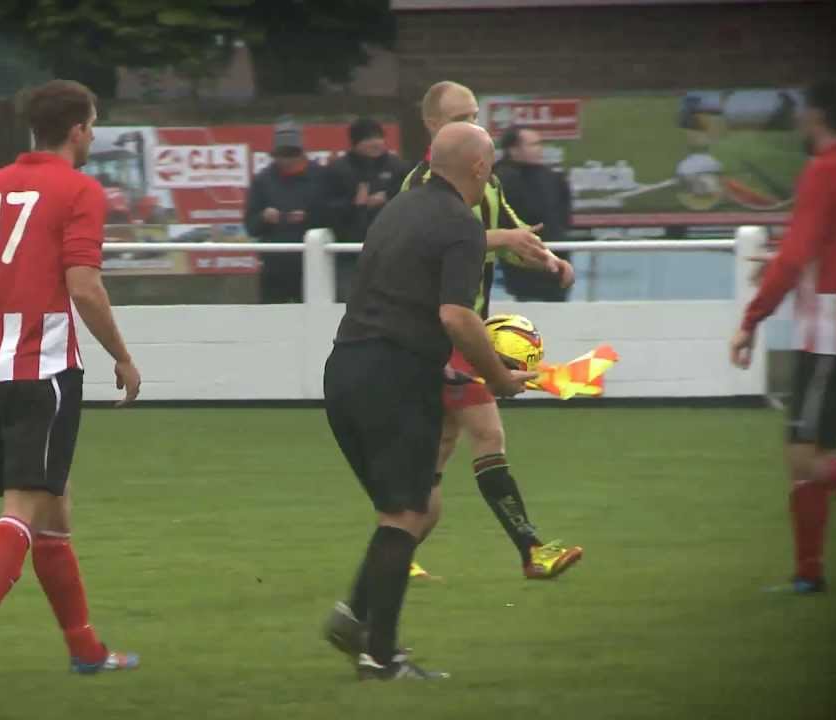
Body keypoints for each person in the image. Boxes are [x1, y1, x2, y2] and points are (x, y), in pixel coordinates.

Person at [0, 79, 143, 680]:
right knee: (23, 509)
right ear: (76, 130)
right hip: (45, 372)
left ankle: (86, 650)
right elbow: (85, 287)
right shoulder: (79, 190)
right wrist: (122, 357)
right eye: (92, 125)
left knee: (54, 510)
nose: (92, 136)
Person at [321, 122, 533, 680]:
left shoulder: (397, 209)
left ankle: (356, 622)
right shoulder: (462, 224)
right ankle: (380, 656)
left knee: (410, 511)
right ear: (480, 168)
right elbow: (457, 317)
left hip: (345, 372)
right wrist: (499, 378)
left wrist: (444, 367)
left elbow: (396, 303)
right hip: (392, 381)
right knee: (406, 515)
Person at [398, 81, 582, 582]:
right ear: (433, 126)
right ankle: (532, 551)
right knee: (488, 433)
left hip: (459, 331)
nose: (474, 125)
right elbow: (432, 242)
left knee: (438, 452)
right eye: (462, 117)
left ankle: (393, 555)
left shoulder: (486, 179)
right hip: (435, 331)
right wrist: (505, 238)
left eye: (476, 115)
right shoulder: (420, 185)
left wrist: (547, 257)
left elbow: (511, 232)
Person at [730, 79, 836, 594]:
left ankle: (809, 572)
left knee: (806, 457)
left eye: (802, 112)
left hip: (833, 333)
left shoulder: (825, 170)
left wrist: (752, 319)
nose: (796, 120)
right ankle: (808, 574)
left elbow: (798, 254)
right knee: (811, 453)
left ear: (816, 116)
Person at [244, 116, 332, 303]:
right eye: (281, 155)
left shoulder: (322, 177)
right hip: (274, 266)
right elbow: (251, 226)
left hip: (313, 264)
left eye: (292, 155)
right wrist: (264, 218)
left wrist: (309, 218)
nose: (287, 161)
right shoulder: (262, 180)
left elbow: (335, 217)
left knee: (313, 313)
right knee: (272, 317)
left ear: (302, 153)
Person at [326, 117, 410, 300]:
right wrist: (355, 204)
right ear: (355, 143)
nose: (375, 143)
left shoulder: (397, 167)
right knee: (349, 302)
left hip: (390, 250)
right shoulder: (338, 169)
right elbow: (326, 209)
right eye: (368, 138)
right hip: (350, 251)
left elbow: (410, 200)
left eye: (378, 137)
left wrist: (387, 200)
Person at [494, 125, 575, 302]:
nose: (539, 149)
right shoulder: (498, 180)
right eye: (533, 145)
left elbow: (563, 216)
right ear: (513, 150)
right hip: (521, 266)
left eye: (540, 144)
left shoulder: (554, 178)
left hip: (556, 261)